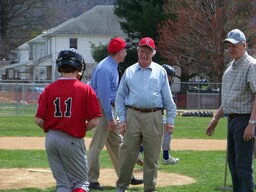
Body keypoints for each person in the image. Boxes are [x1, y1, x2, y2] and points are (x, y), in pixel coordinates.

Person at [35, 48, 102, 192]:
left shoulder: (49, 88)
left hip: (51, 138)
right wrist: (79, 128)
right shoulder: (85, 89)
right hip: (72, 138)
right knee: (81, 183)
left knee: (63, 184)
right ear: (78, 68)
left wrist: (54, 127)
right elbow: (95, 121)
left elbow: (39, 120)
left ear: (60, 67)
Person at [115, 37, 177, 192]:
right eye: (142, 51)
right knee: (128, 154)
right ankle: (121, 187)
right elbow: (120, 97)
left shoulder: (160, 71)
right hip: (132, 115)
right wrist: (122, 119)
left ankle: (150, 189)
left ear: (153, 53)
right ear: (137, 52)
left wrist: (170, 119)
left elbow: (168, 98)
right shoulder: (129, 71)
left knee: (152, 157)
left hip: (154, 115)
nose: (144, 55)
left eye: (147, 52)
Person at [88, 37, 143, 190]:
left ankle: (127, 176)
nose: (126, 52)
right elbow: (103, 96)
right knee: (97, 145)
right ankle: (91, 179)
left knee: (118, 143)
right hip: (103, 109)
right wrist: (111, 118)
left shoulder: (111, 65)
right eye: (125, 50)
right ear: (119, 52)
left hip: (108, 108)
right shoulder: (106, 68)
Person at [206, 29, 256, 192]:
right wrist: (216, 118)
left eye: (234, 45)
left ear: (244, 45)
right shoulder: (230, 67)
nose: (231, 49)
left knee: (243, 166)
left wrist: (252, 123)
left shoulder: (251, 65)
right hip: (232, 119)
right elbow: (228, 100)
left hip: (245, 120)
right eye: (228, 46)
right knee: (233, 164)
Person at [137, 64, 179, 166]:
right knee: (164, 133)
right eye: (169, 76)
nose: (170, 78)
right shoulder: (158, 83)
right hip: (155, 114)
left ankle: (139, 152)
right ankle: (165, 157)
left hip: (153, 113)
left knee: (149, 135)